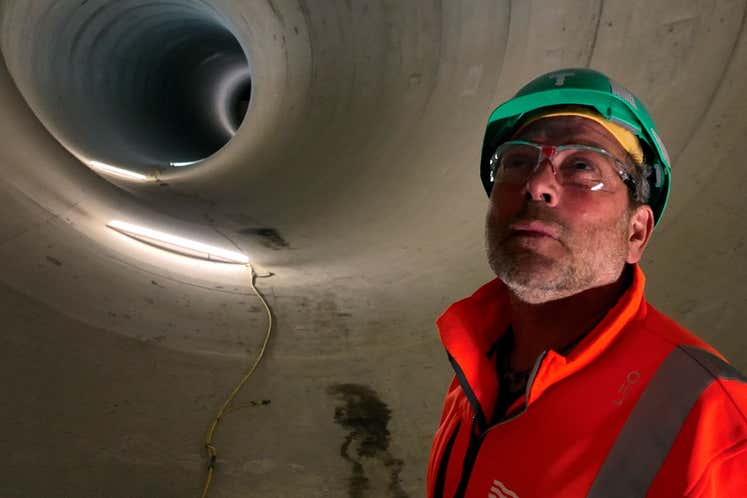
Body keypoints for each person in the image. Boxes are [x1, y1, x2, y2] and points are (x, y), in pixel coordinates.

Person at [426, 68, 747, 498]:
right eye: (517, 161)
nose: (537, 183)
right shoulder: (477, 364)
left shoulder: (716, 428)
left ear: (636, 232)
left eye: (581, 165)